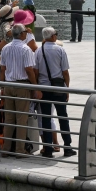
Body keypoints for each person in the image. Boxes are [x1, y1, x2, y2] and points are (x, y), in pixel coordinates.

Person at [0, 24, 41, 155]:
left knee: (9, 119)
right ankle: (19, 149)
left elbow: (2, 69)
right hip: (22, 86)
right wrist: (35, 87)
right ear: (22, 34)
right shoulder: (25, 49)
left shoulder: (5, 48)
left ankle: (6, 149)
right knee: (21, 119)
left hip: (9, 85)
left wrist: (2, 86)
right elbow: (29, 69)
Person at [36, 27, 75, 158]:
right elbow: (65, 72)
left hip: (44, 88)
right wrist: (67, 88)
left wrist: (37, 88)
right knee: (63, 117)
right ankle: (67, 147)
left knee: (46, 118)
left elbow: (35, 71)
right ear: (53, 36)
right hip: (59, 88)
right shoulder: (60, 50)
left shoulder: (38, 51)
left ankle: (47, 148)